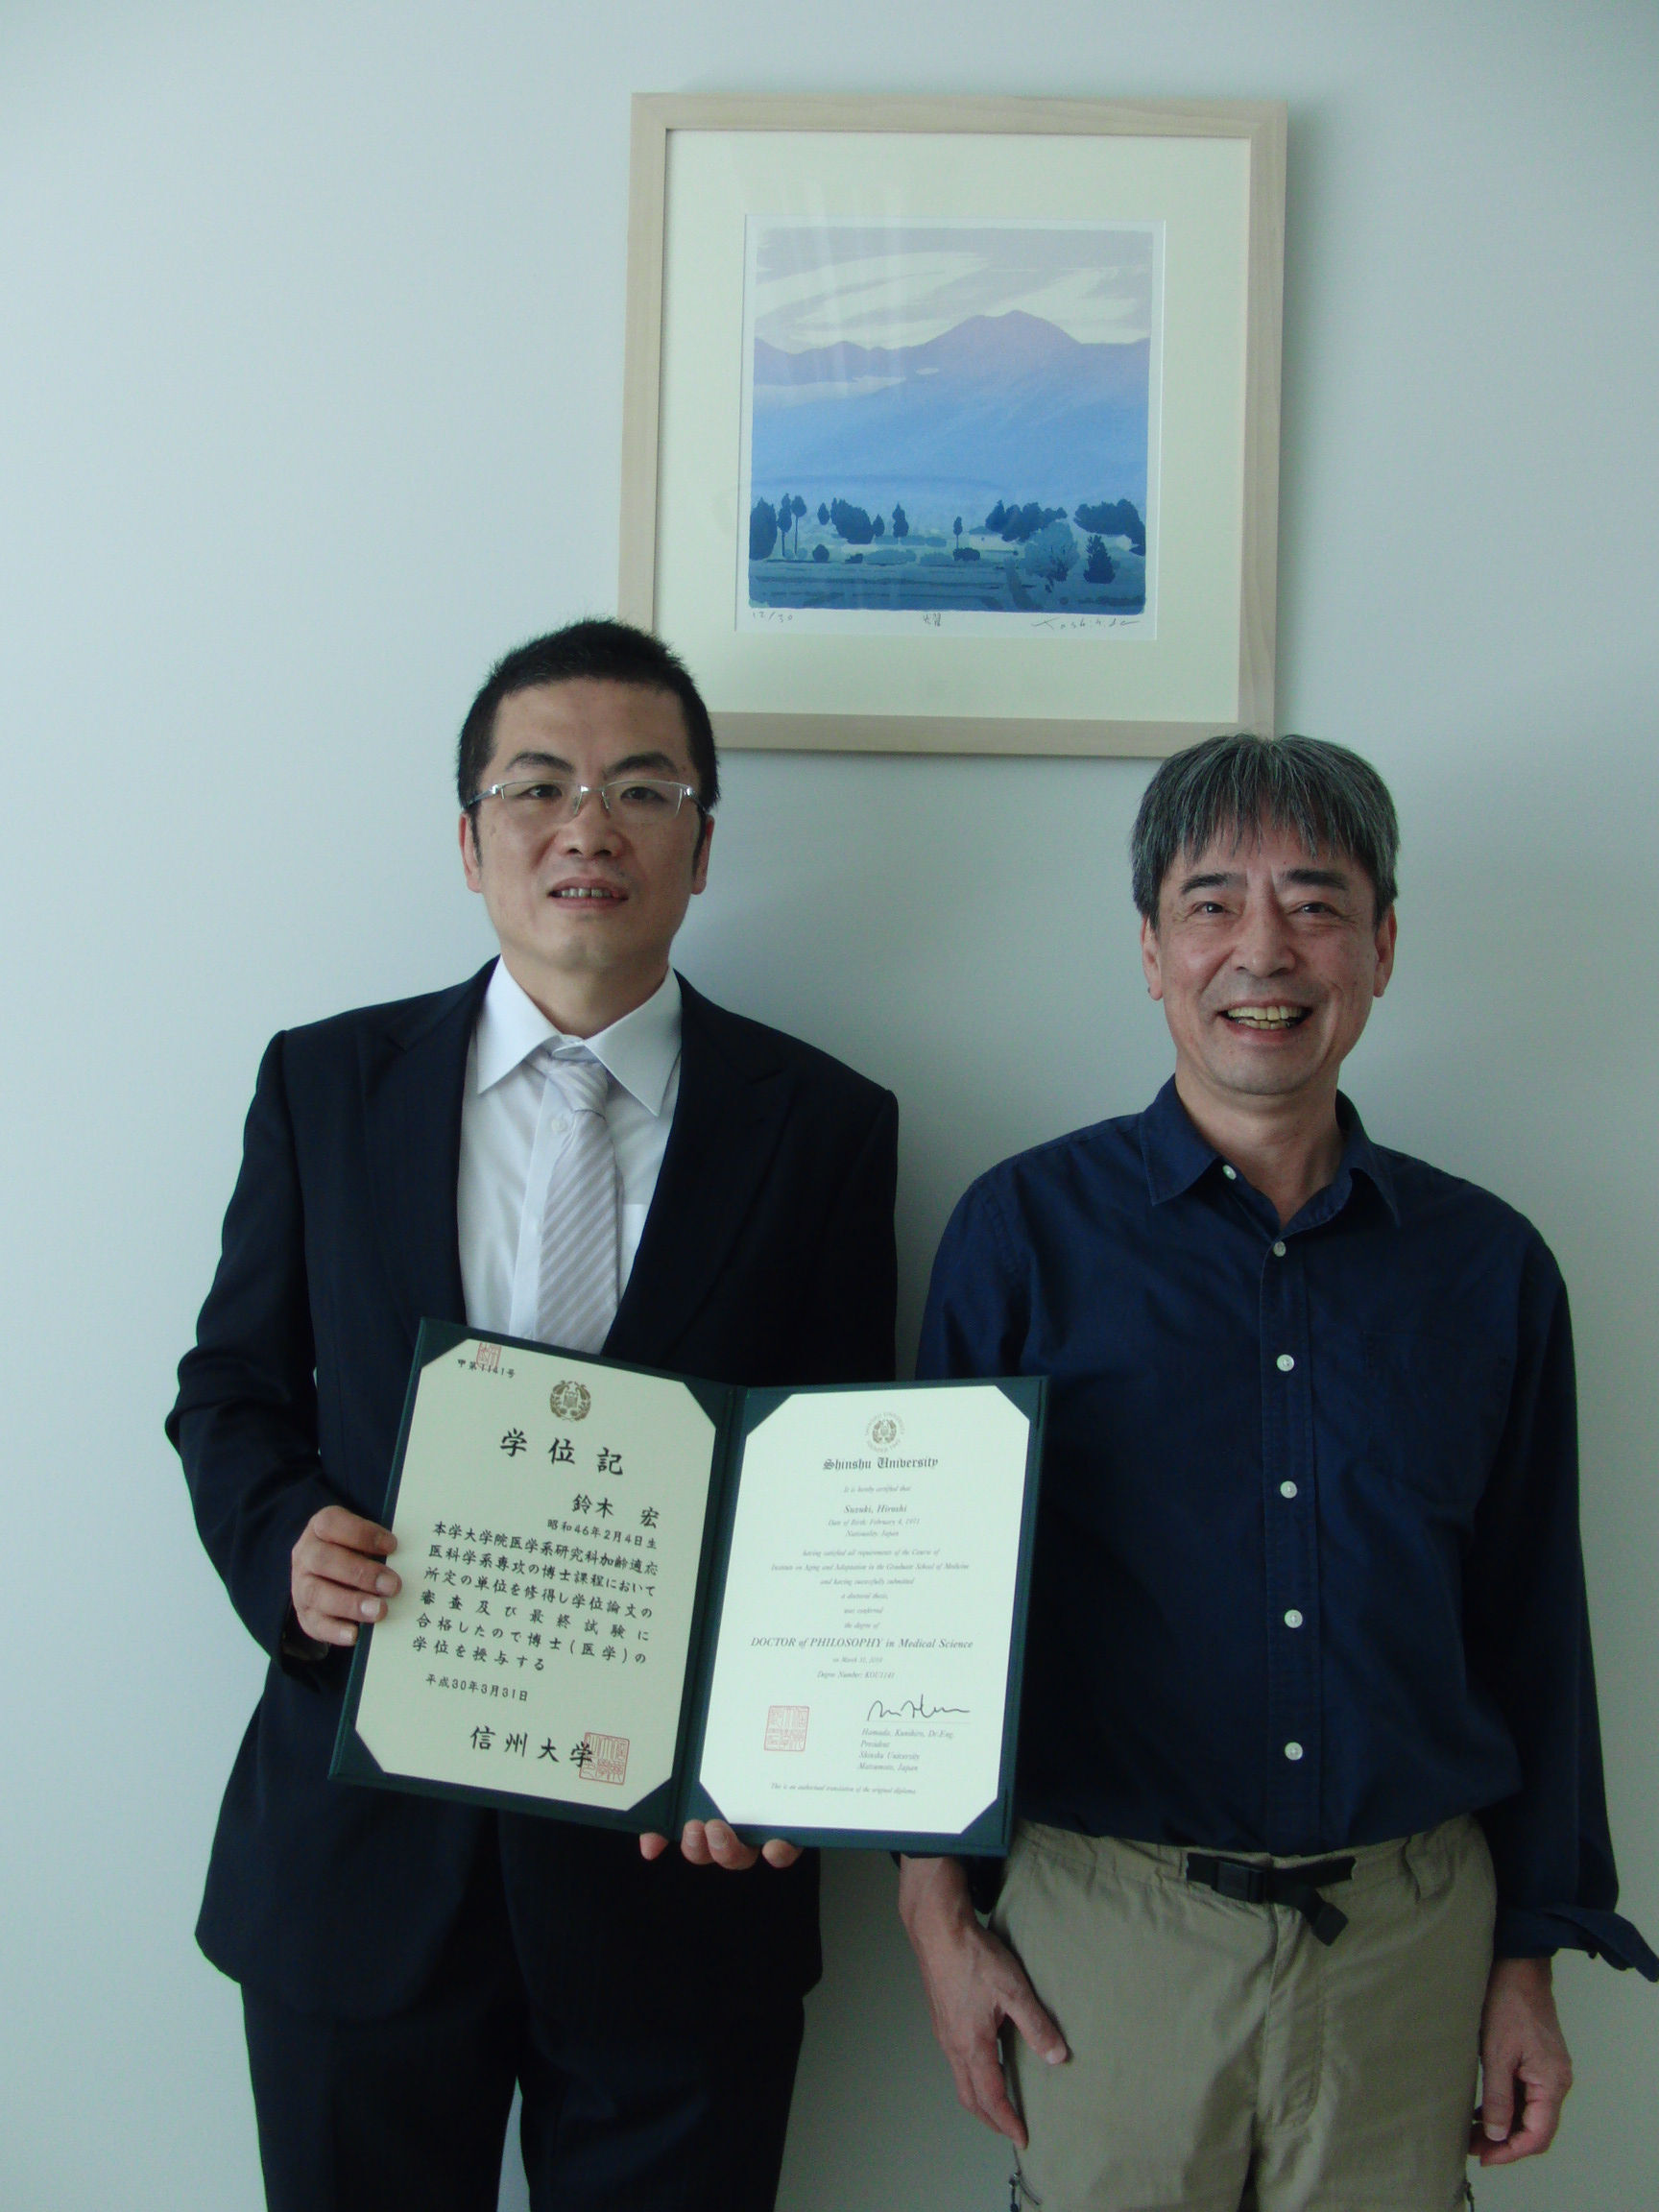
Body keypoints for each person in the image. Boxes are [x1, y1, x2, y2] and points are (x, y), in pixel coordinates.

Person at [169, 618, 898, 2212]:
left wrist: (781, 1753)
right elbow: (230, 1388)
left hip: (677, 1881)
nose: (589, 827)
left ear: (702, 845)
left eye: (643, 789)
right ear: (470, 840)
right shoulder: (325, 1084)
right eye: (539, 787)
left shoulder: (826, 1124)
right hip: (360, 1863)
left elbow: (839, 1484)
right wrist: (284, 1543)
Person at [900, 733, 1653, 2212]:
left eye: (1315, 904)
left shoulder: (1489, 1268)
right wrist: (936, 1920)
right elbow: (924, 1608)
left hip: (1408, 1942)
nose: (1264, 950)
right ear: (1150, 950)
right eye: (1212, 904)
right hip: (1108, 1934)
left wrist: (1529, 1957)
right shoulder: (1024, 1235)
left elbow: (1533, 1628)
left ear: (1382, 947)